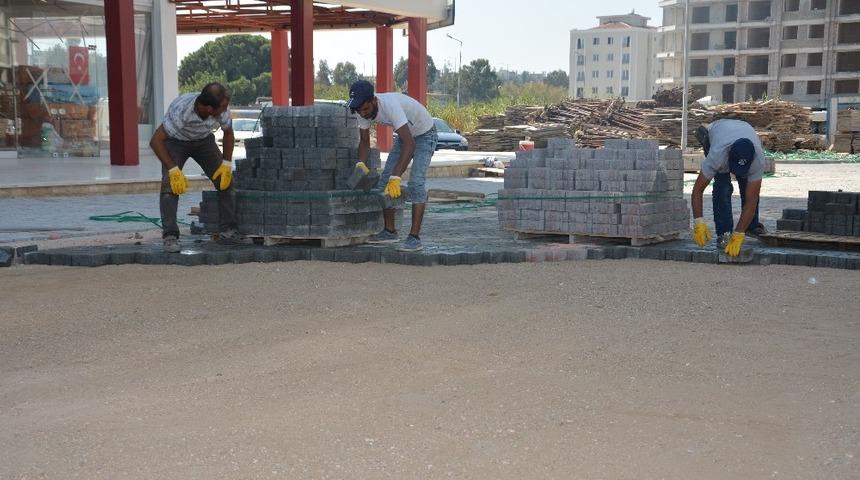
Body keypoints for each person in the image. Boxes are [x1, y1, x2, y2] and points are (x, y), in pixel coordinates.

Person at [149, 83, 243, 253]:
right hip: (176, 142)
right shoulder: (182, 113)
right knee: (170, 186)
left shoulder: (220, 109)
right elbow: (155, 141)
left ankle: (228, 231)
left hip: (204, 140)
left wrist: (226, 163)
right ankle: (170, 236)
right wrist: (173, 170)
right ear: (209, 108)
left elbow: (228, 133)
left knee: (225, 181)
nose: (225, 110)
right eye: (222, 107)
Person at [347, 80, 438, 252]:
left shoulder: (390, 106)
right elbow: (365, 141)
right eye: (359, 110)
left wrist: (396, 177)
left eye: (365, 109)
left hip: (425, 134)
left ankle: (414, 238)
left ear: (373, 100)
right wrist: (361, 163)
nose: (363, 114)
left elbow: (410, 145)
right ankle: (390, 232)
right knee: (384, 184)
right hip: (406, 136)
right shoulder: (360, 109)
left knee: (415, 184)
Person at [690, 118, 767, 257]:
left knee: (747, 187)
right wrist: (698, 222)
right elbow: (698, 190)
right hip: (717, 133)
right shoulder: (717, 155)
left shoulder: (758, 160)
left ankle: (750, 226)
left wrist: (739, 234)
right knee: (723, 188)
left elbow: (752, 200)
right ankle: (724, 233)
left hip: (742, 129)